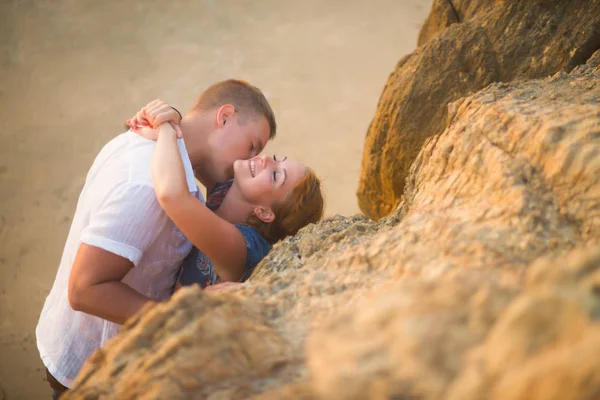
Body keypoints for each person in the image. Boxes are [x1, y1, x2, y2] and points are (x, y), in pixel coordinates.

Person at [36, 79, 277, 397]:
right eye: (252, 146)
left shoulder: (138, 141)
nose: (243, 163)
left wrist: (169, 122)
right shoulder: (146, 185)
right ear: (225, 116)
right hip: (94, 372)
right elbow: (84, 290)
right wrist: (184, 320)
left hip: (80, 349)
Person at [130, 105, 324, 291]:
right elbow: (196, 146)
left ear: (264, 212)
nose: (265, 159)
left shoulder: (244, 248)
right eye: (276, 159)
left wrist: (166, 131)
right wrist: (167, 115)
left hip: (172, 320)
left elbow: (173, 196)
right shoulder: (231, 187)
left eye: (275, 175)